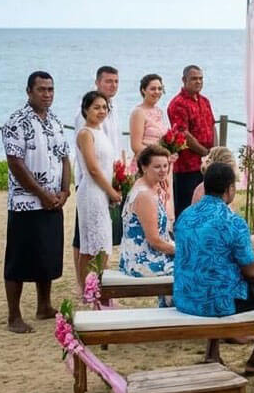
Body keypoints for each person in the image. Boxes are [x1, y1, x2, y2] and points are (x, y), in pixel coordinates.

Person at [174, 163, 254, 373]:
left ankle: (212, 353)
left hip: (185, 297)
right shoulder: (232, 221)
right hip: (216, 303)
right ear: (230, 189)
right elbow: (252, 274)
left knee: (215, 276)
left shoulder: (185, 215)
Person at [1, 72, 72, 333]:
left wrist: (65, 191)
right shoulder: (16, 122)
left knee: (47, 254)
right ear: (29, 91)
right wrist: (41, 194)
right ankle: (13, 316)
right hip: (25, 203)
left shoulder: (55, 121)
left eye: (51, 89)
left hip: (53, 201)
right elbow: (15, 162)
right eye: (41, 89)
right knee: (19, 259)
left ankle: (44, 306)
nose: (47, 94)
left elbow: (64, 157)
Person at [73, 65, 125, 269]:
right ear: (86, 109)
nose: (102, 111)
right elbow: (92, 168)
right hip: (93, 189)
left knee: (102, 242)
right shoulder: (86, 131)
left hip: (104, 188)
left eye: (104, 108)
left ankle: (98, 291)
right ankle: (89, 291)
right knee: (90, 243)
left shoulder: (101, 128)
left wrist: (118, 181)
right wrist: (111, 191)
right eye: (96, 107)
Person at [167, 65, 215, 220]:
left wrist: (215, 152)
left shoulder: (205, 101)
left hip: (207, 162)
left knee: (205, 204)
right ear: (184, 80)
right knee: (186, 208)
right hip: (188, 166)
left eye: (201, 78)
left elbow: (212, 126)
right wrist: (205, 152)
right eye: (194, 78)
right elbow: (184, 134)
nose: (198, 82)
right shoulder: (178, 103)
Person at [119, 145, 175, 279]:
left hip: (147, 254)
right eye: (157, 167)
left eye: (165, 166)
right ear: (144, 167)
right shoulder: (145, 195)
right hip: (144, 261)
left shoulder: (150, 186)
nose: (163, 171)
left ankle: (169, 300)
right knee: (197, 264)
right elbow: (154, 241)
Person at [129, 73, 174, 225]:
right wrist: (157, 157)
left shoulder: (160, 112)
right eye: (152, 89)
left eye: (160, 89)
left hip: (163, 166)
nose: (157, 92)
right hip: (147, 164)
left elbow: (164, 140)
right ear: (143, 90)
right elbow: (136, 146)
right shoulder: (138, 113)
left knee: (163, 204)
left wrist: (170, 153)